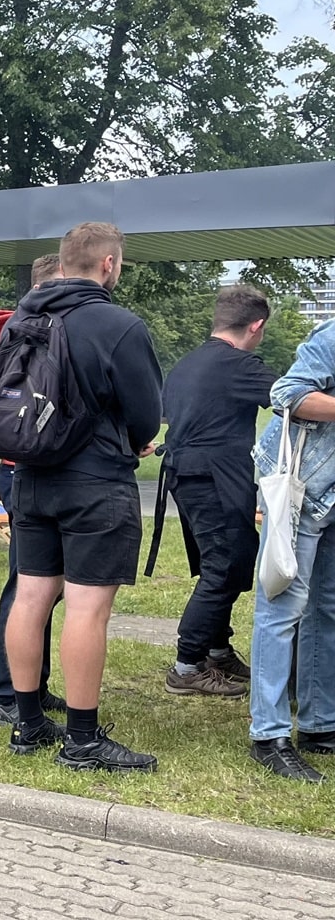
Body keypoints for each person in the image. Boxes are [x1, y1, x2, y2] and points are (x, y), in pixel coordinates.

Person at [3, 222, 163, 772]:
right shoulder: (119, 324)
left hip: (30, 474)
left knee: (31, 597)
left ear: (64, 260)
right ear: (108, 264)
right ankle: (82, 740)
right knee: (87, 608)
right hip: (95, 481)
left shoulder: (22, 318)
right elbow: (146, 414)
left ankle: (27, 724)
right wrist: (135, 439)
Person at [0, 254, 67, 727]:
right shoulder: (30, 331)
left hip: (24, 467)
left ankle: (32, 687)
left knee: (43, 585)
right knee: (27, 585)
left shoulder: (20, 329)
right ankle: (10, 695)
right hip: (26, 470)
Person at [159, 285, 274, 699]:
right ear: (256, 326)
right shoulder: (239, 364)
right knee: (223, 567)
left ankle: (217, 650)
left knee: (231, 558)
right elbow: (291, 397)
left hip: (185, 475)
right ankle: (187, 666)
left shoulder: (187, 363)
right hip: (214, 478)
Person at [248, 318, 335, 782]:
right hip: (302, 486)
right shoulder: (333, 336)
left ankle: (320, 725)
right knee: (281, 606)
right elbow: (287, 394)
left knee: (328, 608)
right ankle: (269, 735)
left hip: (331, 494)